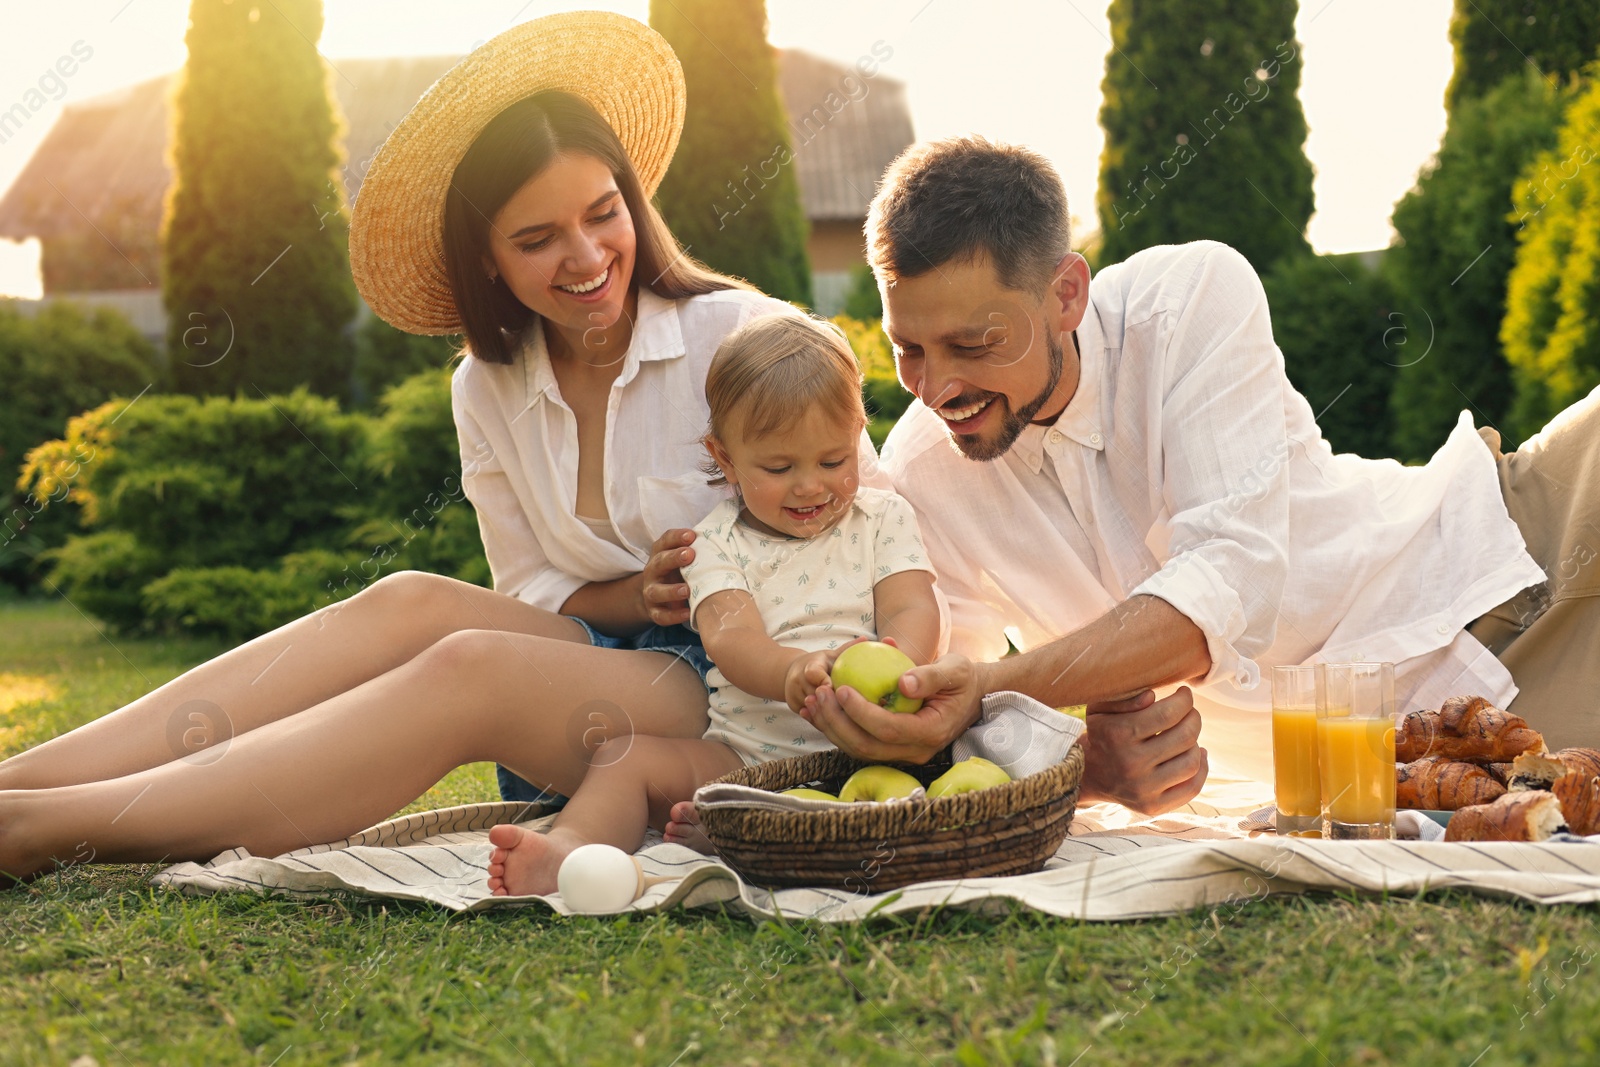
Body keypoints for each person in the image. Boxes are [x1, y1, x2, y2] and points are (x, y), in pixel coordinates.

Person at [0, 13, 856, 884]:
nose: (588, 255)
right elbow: (538, 593)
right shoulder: (488, 385)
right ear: (484, 257)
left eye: (605, 214)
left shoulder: (747, 338)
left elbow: (876, 527)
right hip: (607, 664)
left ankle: (39, 829)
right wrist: (637, 589)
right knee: (409, 599)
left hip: (742, 695)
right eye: (536, 239)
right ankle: (13, 786)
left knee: (469, 665)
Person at [792, 135, 1598, 808]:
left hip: (1503, 557)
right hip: (1392, 755)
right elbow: (947, 718)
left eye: (973, 345)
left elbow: (1226, 580)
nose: (938, 390)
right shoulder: (924, 476)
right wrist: (1084, 772)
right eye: (908, 352)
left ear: (1066, 294)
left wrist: (1006, 679)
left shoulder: (1186, 300)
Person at [486, 313, 943, 895]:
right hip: (742, 755)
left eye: (834, 460)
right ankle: (570, 850)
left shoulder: (883, 519)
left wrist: (898, 654)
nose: (810, 486)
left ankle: (741, 831)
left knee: (907, 802)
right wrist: (791, 672)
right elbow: (733, 640)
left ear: (857, 434)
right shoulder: (715, 545)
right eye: (778, 468)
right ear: (724, 459)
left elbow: (912, 606)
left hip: (873, 745)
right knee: (625, 757)